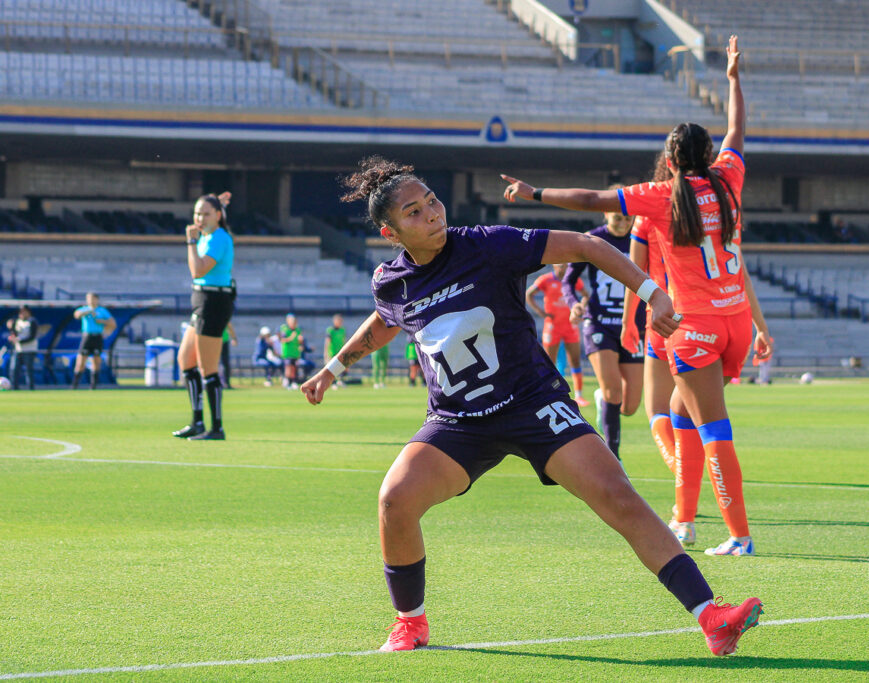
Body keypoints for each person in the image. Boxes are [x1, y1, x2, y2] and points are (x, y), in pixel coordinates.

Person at [301, 156, 762, 656]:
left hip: (533, 403)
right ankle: (410, 622)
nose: (432, 213)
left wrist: (653, 294)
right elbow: (385, 321)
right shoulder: (391, 282)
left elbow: (586, 245)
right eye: (414, 212)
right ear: (391, 232)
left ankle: (711, 616)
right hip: (457, 422)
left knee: (617, 495)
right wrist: (333, 368)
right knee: (394, 500)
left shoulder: (487, 244)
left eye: (431, 200)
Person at [502, 36, 773, 557]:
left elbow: (590, 200)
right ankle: (685, 520)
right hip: (735, 321)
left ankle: (739, 534)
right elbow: (739, 128)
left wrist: (536, 194)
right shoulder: (729, 179)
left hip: (692, 328)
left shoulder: (659, 197)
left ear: (670, 160)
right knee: (678, 413)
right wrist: (734, 79)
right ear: (709, 156)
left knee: (712, 427)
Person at [560, 195, 646, 460]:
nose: (623, 224)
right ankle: (613, 455)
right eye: (617, 218)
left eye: (628, 218)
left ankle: (602, 403)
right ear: (606, 215)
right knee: (613, 390)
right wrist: (574, 303)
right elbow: (568, 280)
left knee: (630, 406)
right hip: (599, 323)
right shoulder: (593, 239)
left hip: (633, 325)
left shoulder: (642, 241)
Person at [620, 152, 680, 516]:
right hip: (707, 316)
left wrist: (629, 323)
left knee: (657, 408)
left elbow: (634, 274)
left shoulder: (648, 213)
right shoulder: (712, 207)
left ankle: (682, 476)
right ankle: (689, 491)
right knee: (696, 415)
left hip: (661, 318)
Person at [173, 192, 234, 440]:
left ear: (218, 216)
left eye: (206, 213)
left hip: (213, 301)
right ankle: (197, 421)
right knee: (185, 360)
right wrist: (215, 203)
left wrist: (190, 241)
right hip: (202, 300)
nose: (199, 218)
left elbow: (198, 270)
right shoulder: (209, 236)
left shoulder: (218, 238)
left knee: (207, 368)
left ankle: (216, 427)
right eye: (197, 213)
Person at [525, 263, 588, 405]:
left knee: (575, 359)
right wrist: (540, 312)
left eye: (566, 265)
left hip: (570, 325)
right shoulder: (545, 279)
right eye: (560, 265)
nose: (563, 268)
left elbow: (586, 295)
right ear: (554, 265)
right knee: (549, 362)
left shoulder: (573, 280)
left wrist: (580, 308)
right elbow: (529, 294)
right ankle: (549, 392)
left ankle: (579, 395)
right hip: (552, 326)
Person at [72, 292, 115, 389]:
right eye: (88, 298)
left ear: (97, 299)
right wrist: (89, 311)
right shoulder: (84, 309)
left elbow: (112, 323)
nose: (90, 300)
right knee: (81, 362)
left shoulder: (102, 311)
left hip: (97, 337)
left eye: (92, 298)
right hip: (87, 337)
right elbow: (77, 315)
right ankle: (75, 385)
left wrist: (102, 321)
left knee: (96, 361)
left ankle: (93, 386)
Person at [7, 305, 38, 390]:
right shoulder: (17, 322)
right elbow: (14, 332)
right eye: (20, 312)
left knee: (28, 370)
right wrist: (11, 332)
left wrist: (19, 340)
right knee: (14, 369)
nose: (22, 313)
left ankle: (30, 389)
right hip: (18, 350)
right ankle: (14, 388)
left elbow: (32, 336)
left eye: (24, 311)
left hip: (29, 350)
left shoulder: (32, 321)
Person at [280, 313, 303, 389]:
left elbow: (299, 341)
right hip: (287, 352)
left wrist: (300, 343)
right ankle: (287, 381)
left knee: (294, 368)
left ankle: (293, 381)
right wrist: (290, 338)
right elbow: (282, 340)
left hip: (295, 352)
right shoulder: (285, 329)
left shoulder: (297, 330)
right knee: (288, 367)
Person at [324, 314, 348, 389]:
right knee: (332, 368)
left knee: (344, 367)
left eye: (341, 321)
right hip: (332, 352)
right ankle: (333, 383)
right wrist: (326, 353)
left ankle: (340, 381)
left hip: (340, 352)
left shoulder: (342, 330)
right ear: (334, 321)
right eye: (338, 321)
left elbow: (344, 340)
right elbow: (327, 342)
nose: (340, 322)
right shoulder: (330, 330)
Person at [220, 321, 238, 389]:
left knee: (225, 363)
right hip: (214, 340)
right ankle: (218, 382)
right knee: (215, 364)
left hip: (224, 341)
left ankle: (226, 383)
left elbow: (229, 326)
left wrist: (234, 338)